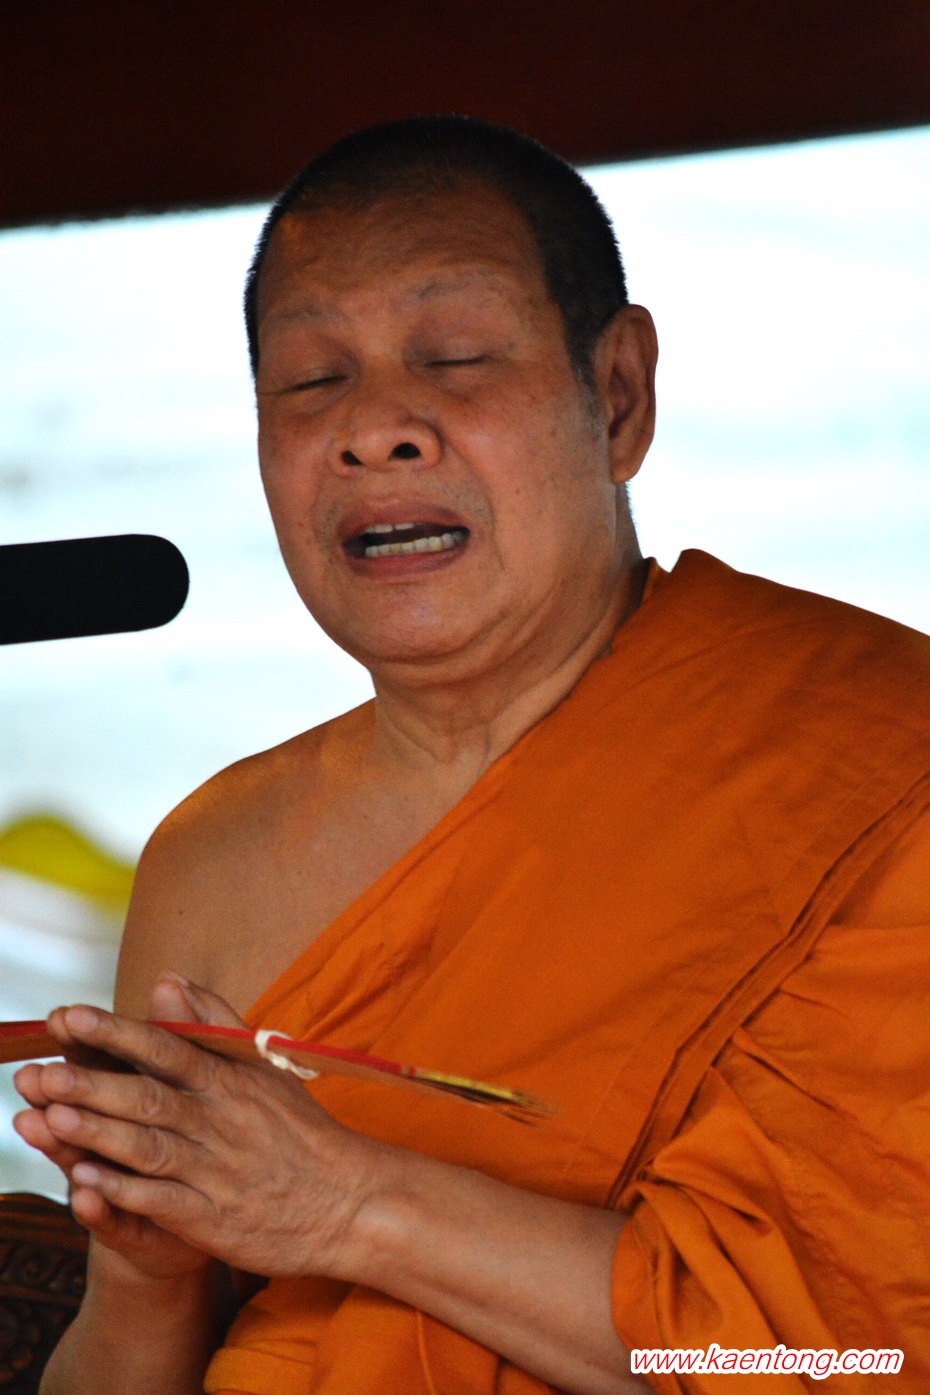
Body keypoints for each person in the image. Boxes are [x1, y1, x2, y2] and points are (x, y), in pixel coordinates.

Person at [13, 116, 930, 1395]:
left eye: (454, 357)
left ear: (617, 397)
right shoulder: (212, 864)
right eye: (311, 381)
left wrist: (349, 1205)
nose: (375, 428)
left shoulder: (877, 765)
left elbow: (862, 1361)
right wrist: (148, 1275)